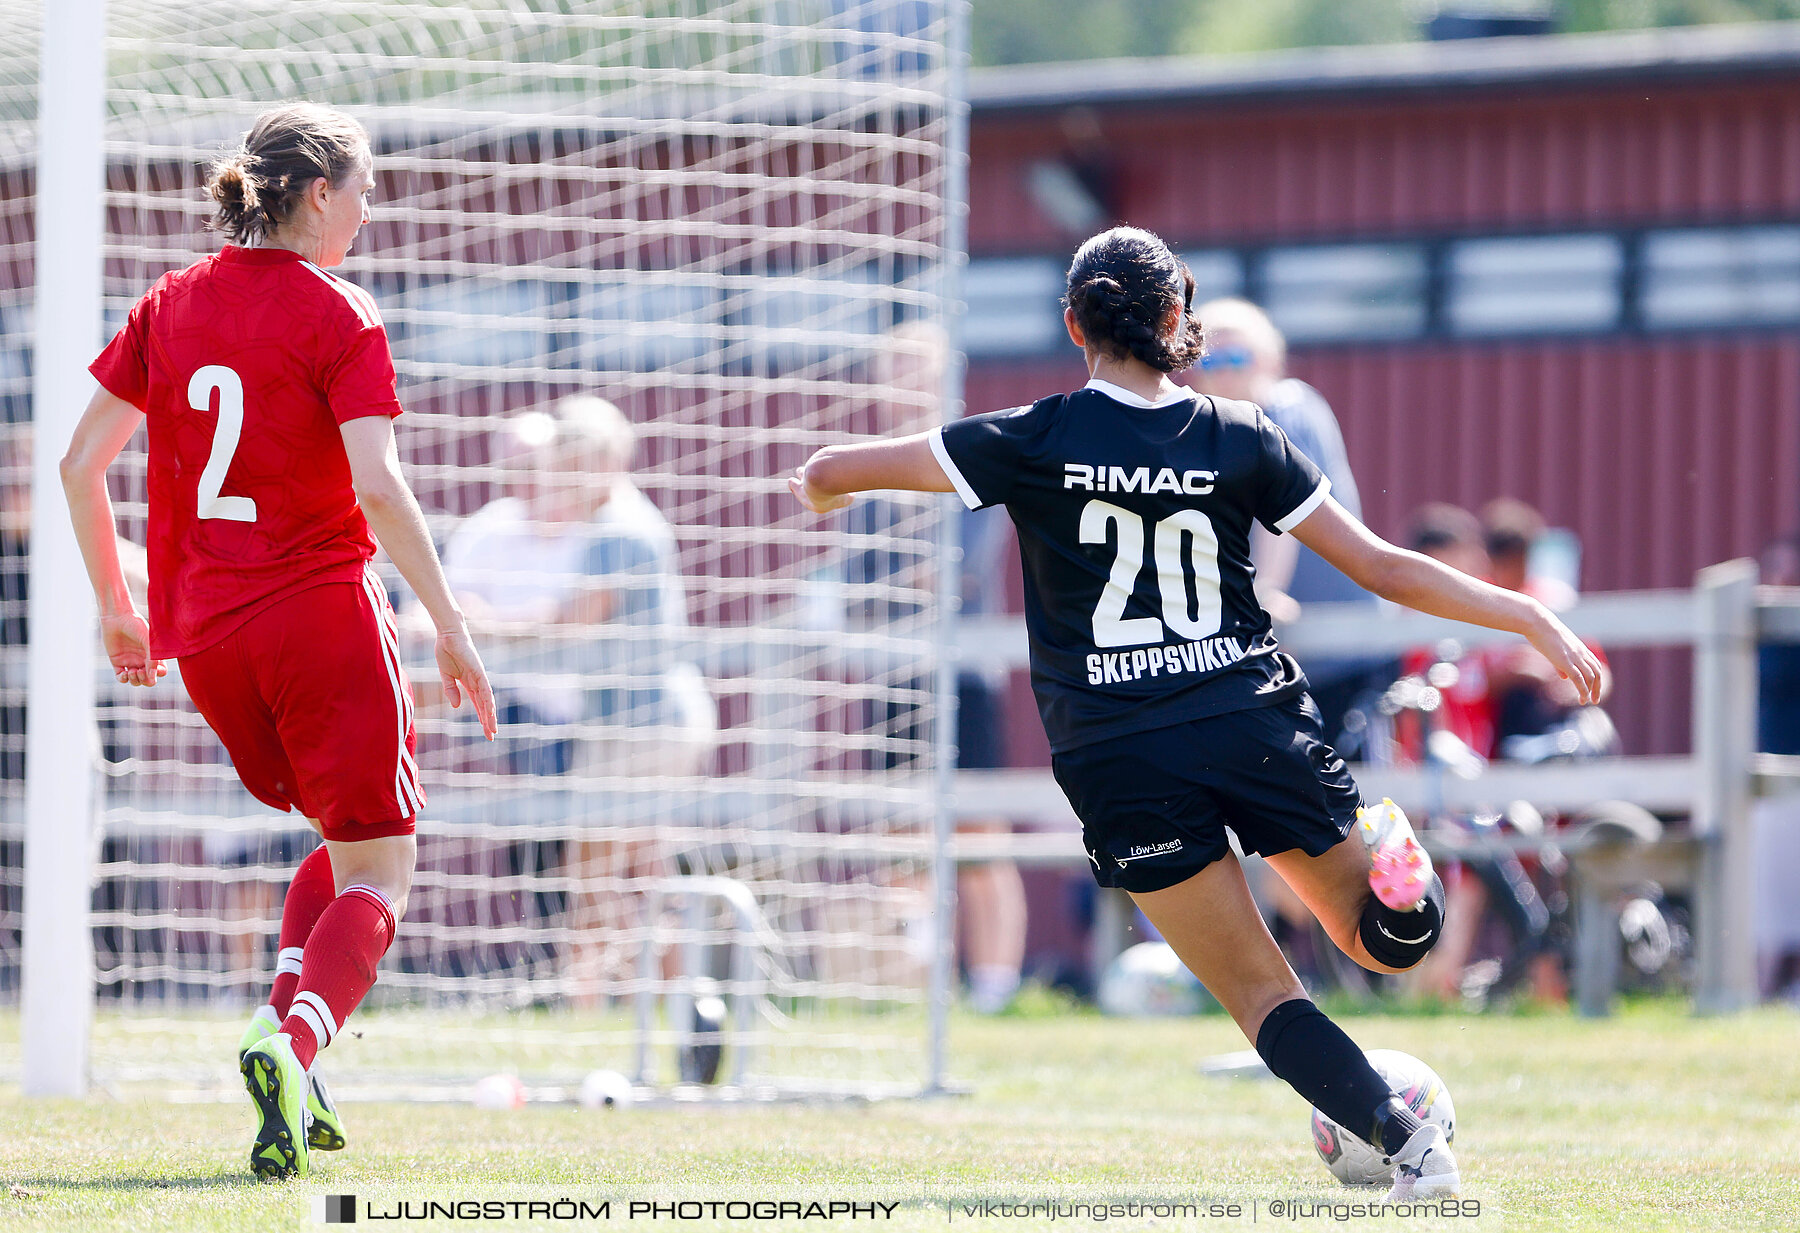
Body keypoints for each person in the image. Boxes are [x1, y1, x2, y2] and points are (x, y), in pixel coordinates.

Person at [787, 226, 1601, 1197]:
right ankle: (1399, 866)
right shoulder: (1243, 433)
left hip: (1119, 755)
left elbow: (838, 467)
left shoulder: (1028, 436)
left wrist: (819, 487)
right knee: (1392, 941)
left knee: (1261, 996)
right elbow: (1382, 564)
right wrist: (1528, 613)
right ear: (1179, 320)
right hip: (1246, 717)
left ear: (1072, 326)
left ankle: (1414, 1153)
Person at [63, 102, 498, 1181]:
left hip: (207, 637)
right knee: (385, 867)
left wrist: (118, 605)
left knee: (336, 839)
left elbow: (80, 466)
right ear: (316, 195)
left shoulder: (168, 305)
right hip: (318, 613)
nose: (371, 206)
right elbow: (377, 486)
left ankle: (292, 1043)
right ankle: (293, 1040)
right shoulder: (338, 311)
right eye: (363, 187)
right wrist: (452, 627)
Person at [439, 395, 713, 1002]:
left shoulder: (619, 528)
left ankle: (587, 1001)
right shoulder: (620, 520)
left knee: (589, 870)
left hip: (640, 727)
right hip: (653, 721)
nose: (558, 480)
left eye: (570, 464)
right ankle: (680, 998)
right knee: (645, 866)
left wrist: (478, 625)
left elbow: (572, 621)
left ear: (605, 460)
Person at [1184, 297, 1389, 743]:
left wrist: (1266, 592)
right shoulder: (1216, 436)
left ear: (1270, 361)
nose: (1225, 370)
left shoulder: (1285, 408)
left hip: (1345, 655)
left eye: (1238, 357)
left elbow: (1286, 518)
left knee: (1350, 797)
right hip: (1287, 657)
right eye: (1211, 358)